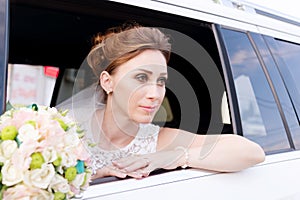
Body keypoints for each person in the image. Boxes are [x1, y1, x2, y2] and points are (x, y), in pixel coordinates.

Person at [70, 23, 265, 180]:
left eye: (161, 81)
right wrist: (94, 175)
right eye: (141, 78)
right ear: (107, 82)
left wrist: (175, 156)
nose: (155, 94)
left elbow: (252, 152)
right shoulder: (62, 130)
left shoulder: (160, 139)